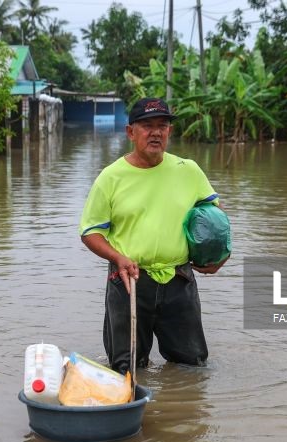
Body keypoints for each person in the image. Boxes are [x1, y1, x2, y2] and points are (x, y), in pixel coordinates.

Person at [79, 97, 229, 375]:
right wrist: (117, 257)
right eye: (147, 126)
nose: (156, 132)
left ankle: (181, 413)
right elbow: (90, 232)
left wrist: (221, 253)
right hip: (129, 281)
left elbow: (215, 217)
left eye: (162, 125)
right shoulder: (110, 178)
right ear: (130, 132)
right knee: (125, 370)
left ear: (169, 132)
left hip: (179, 281)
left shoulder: (188, 170)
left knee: (191, 367)